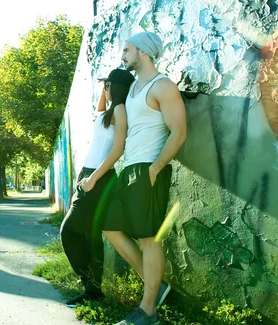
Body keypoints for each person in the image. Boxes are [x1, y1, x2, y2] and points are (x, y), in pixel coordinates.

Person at [101, 32, 187, 325]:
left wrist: (155, 169)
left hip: (148, 169)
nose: (122, 55)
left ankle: (148, 310)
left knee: (150, 239)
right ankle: (155, 286)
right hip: (129, 171)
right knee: (110, 228)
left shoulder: (162, 86)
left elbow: (179, 131)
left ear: (143, 52)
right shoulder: (135, 87)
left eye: (127, 50)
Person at [59, 68, 134, 307]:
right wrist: (105, 85)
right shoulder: (109, 112)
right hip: (90, 173)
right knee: (91, 235)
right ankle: (93, 288)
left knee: (69, 231)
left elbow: (117, 149)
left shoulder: (120, 110)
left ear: (117, 87)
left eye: (108, 85)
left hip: (98, 177)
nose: (105, 89)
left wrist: (92, 180)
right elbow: (99, 111)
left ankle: (88, 280)